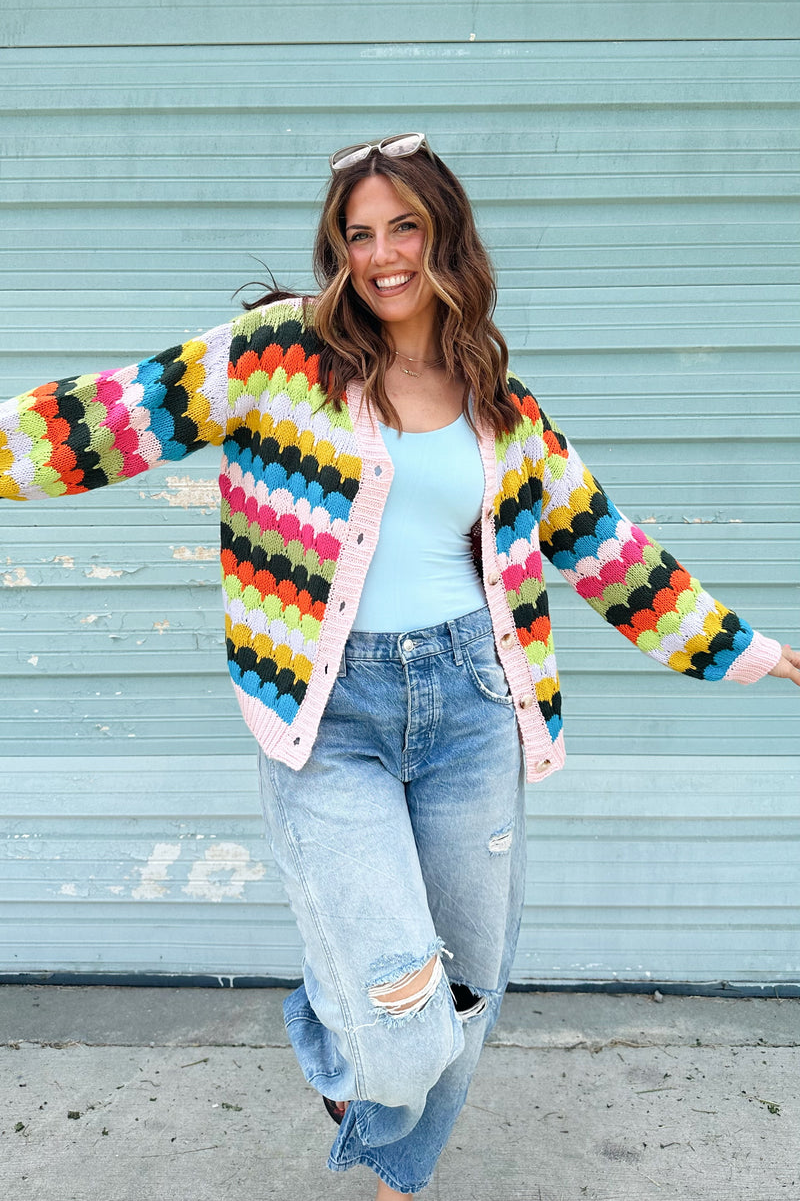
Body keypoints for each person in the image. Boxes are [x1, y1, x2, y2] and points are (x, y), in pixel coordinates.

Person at [1, 131, 798, 1199]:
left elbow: (606, 551)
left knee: (463, 991)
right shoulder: (275, 354)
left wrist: (749, 651)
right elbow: (112, 414)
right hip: (327, 714)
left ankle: (393, 1181)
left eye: (403, 228)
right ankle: (333, 1043)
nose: (381, 255)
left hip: (474, 705)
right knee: (399, 1015)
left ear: (445, 237)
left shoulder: (497, 399)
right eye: (357, 234)